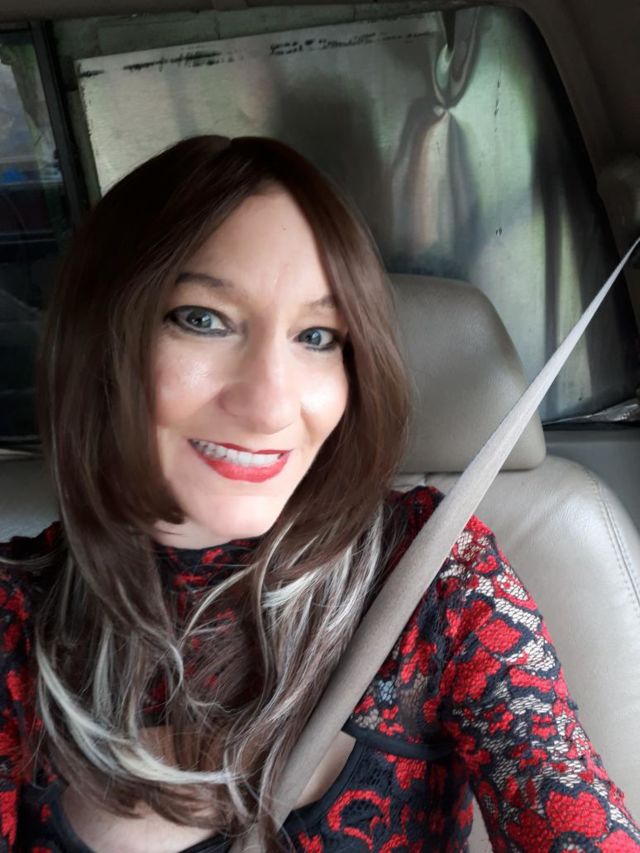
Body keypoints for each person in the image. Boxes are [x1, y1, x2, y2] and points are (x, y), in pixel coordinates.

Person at [0, 135, 639, 853]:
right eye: (203, 319)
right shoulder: (17, 618)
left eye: (316, 335)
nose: (271, 404)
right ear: (100, 339)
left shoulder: (432, 577)